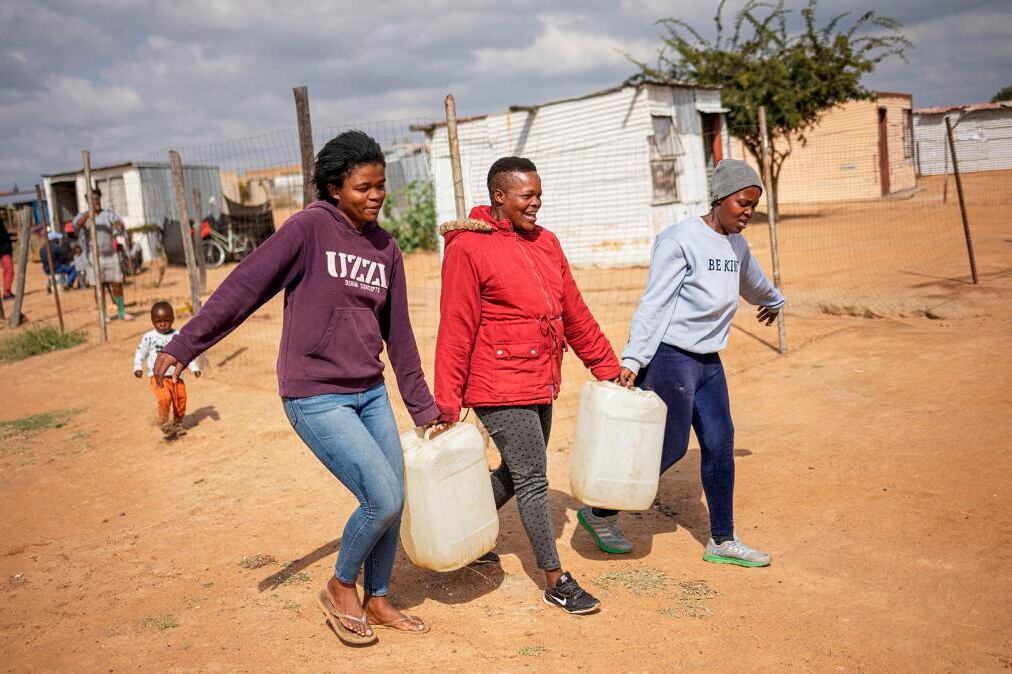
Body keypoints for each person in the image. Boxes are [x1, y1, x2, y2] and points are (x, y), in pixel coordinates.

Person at [153, 131, 447, 646]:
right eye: (363, 187)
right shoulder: (308, 228)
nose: (376, 196)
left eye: (380, 186)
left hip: (370, 391)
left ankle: (377, 598)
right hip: (315, 394)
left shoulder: (386, 247)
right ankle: (340, 587)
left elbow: (399, 335)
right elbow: (244, 287)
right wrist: (184, 346)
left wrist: (424, 407)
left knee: (394, 498)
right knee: (381, 495)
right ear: (334, 187)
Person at [576, 159, 785, 568]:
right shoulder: (679, 240)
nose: (747, 213)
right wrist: (634, 358)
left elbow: (752, 280)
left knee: (720, 443)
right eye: (743, 203)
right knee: (668, 447)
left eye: (753, 207)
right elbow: (655, 302)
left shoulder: (736, 244)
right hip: (671, 357)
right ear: (721, 198)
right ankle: (600, 514)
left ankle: (722, 540)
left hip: (708, 361)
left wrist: (772, 299)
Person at [435, 157, 621, 615]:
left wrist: (607, 366)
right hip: (495, 383)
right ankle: (556, 579)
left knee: (516, 474)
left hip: (540, 379)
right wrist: (446, 401)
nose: (537, 203)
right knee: (535, 478)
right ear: (500, 196)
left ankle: (459, 531)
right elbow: (455, 328)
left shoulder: (547, 243)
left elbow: (573, 313)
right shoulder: (468, 249)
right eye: (527, 195)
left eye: (538, 194)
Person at [134, 302, 201, 437]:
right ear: (153, 321)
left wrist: (194, 368)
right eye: (159, 321)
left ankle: (177, 423)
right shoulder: (149, 337)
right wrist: (138, 366)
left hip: (177, 376)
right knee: (164, 399)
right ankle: (164, 422)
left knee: (180, 401)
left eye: (166, 320)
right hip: (158, 376)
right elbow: (141, 352)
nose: (163, 324)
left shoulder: (178, 336)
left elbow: (186, 353)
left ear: (172, 319)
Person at [72, 187, 133, 320]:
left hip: (110, 255)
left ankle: (121, 312)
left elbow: (118, 222)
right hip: (93, 258)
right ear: (88, 201)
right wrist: (89, 214)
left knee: (117, 283)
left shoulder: (108, 214)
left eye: (97, 199)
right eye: (93, 199)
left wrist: (118, 225)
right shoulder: (83, 216)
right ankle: (103, 314)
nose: (96, 201)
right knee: (98, 287)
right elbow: (76, 225)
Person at [1, 213, 14, 300]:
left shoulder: (1, 223)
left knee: (8, 271)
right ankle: (6, 292)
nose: (3, 213)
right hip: (3, 250)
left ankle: (7, 291)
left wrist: (9, 236)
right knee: (9, 270)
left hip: (4, 250)